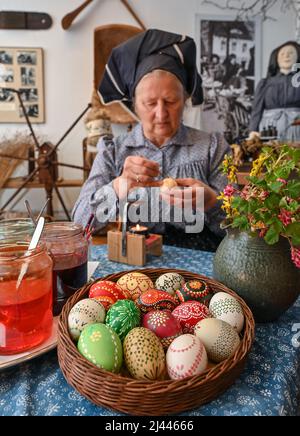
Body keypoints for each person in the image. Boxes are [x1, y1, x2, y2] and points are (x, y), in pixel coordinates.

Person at [72, 29, 231, 251]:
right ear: (134, 105)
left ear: (185, 99)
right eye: (150, 103)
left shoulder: (212, 147)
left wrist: (212, 202)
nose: (161, 113)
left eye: (171, 101)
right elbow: (79, 224)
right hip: (135, 261)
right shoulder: (114, 151)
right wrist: (118, 187)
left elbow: (242, 228)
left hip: (200, 264)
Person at [249, 41, 300, 140]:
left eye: (291, 53)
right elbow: (257, 109)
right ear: (276, 58)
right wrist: (253, 130)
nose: (286, 56)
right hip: (271, 128)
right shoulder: (265, 83)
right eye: (282, 54)